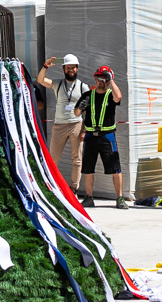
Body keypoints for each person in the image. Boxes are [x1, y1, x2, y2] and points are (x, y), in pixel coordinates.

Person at [80, 63, 129, 211]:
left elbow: (118, 96)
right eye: (99, 78)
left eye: (104, 79)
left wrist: (111, 79)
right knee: (88, 169)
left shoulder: (110, 94)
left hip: (107, 137)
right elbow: (80, 113)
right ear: (95, 79)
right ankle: (89, 198)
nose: (101, 81)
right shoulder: (89, 95)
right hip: (90, 136)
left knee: (115, 168)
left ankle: (119, 198)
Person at [36, 53, 86, 190]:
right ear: (63, 69)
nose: (71, 70)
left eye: (73, 67)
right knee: (52, 159)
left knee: (76, 160)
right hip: (59, 125)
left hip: (76, 124)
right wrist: (45, 66)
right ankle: (50, 188)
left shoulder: (83, 87)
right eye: (68, 67)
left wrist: (84, 130)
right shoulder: (58, 84)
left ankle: (74, 189)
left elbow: (90, 110)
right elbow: (40, 80)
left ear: (77, 69)